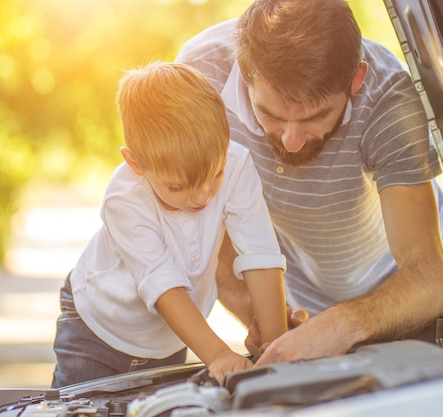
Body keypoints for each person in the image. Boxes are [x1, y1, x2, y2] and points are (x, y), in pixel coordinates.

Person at [175, 0, 443, 365]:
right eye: (270, 115)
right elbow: (198, 229)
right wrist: (264, 316)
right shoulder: (199, 78)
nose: (291, 141)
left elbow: (427, 277)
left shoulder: (387, 100)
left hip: (397, 295)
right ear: (243, 71)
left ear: (355, 80)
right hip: (303, 297)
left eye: (316, 117)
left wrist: (342, 325)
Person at [51, 62, 288, 387]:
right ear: (136, 163)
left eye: (215, 175)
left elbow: (260, 253)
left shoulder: (236, 164)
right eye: (177, 187)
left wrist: (276, 347)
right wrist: (218, 354)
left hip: (170, 338)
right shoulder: (124, 199)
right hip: (98, 330)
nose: (202, 198)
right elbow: (164, 285)